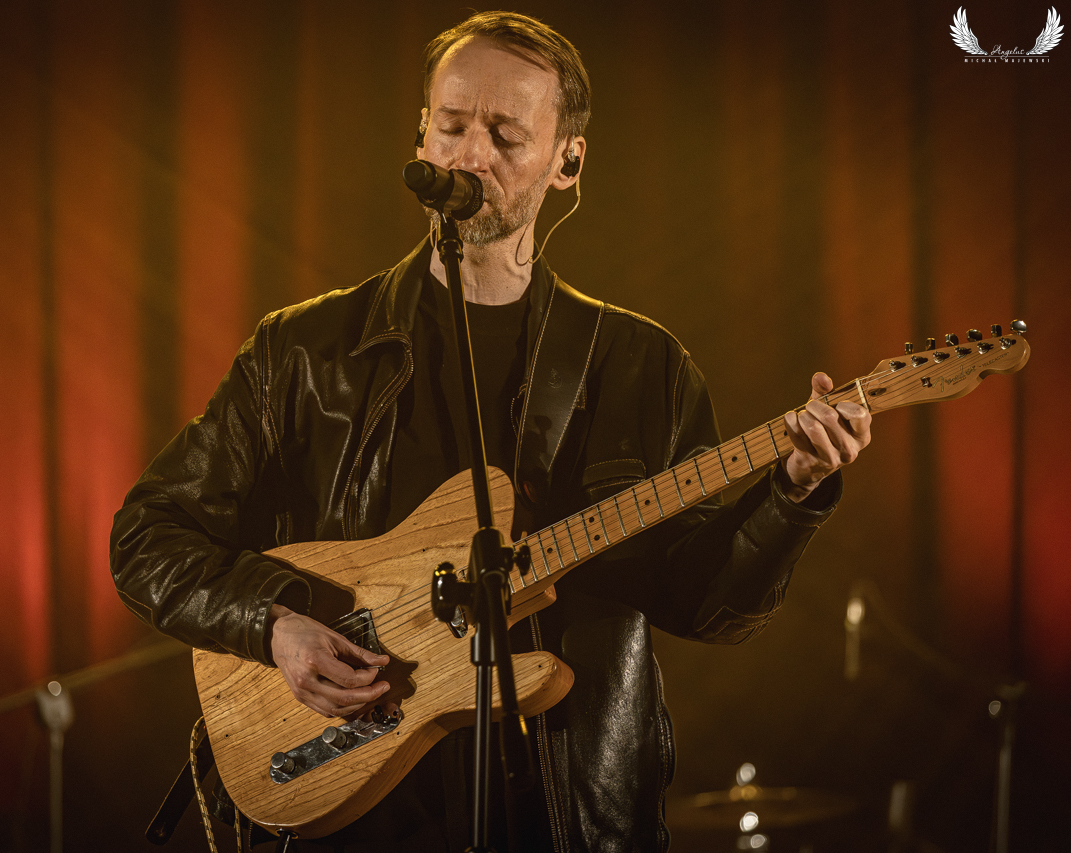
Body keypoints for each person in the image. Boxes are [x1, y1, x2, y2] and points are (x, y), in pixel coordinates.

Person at [110, 12, 871, 853]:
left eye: (506, 135)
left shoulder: (638, 364)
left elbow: (707, 602)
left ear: (567, 162)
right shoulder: (304, 351)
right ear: (421, 135)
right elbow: (146, 534)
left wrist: (793, 489)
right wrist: (274, 624)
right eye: (451, 126)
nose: (470, 155)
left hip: (563, 819)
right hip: (351, 810)